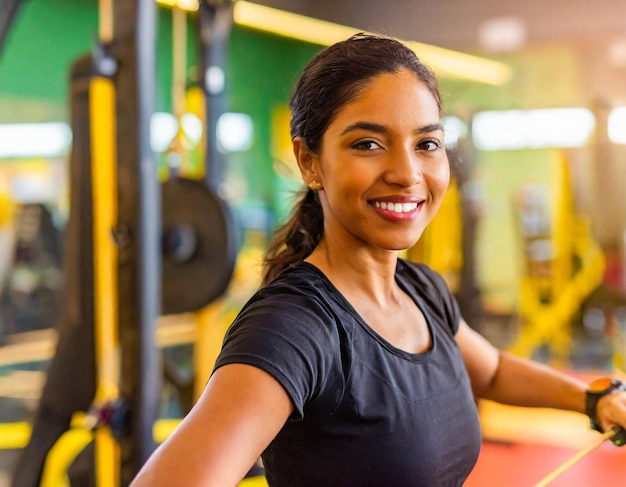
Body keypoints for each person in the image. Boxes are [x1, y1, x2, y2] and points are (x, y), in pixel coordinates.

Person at [130, 33, 626, 487]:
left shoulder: (420, 288)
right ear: (310, 162)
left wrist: (592, 399)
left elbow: (491, 370)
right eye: (368, 144)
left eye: (426, 144)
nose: (407, 173)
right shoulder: (294, 328)